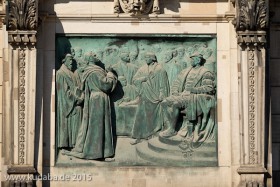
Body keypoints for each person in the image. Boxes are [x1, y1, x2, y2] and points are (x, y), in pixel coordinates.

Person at [66, 52, 117, 160]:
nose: (96, 56)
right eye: (94, 55)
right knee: (98, 126)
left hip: (94, 99)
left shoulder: (88, 71)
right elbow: (106, 85)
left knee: (96, 125)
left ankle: (102, 152)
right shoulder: (95, 72)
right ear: (89, 58)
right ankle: (96, 153)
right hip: (99, 99)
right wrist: (111, 74)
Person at [160, 53, 216, 142]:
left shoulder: (205, 72)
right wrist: (175, 92)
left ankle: (172, 130)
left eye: (192, 59)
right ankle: (171, 125)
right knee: (164, 102)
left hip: (192, 97)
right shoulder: (186, 71)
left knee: (176, 104)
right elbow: (176, 83)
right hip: (182, 94)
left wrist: (193, 89)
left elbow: (209, 88)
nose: (191, 61)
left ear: (198, 60)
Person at [130, 52, 170, 145]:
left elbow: (163, 84)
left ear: (153, 58)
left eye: (148, 57)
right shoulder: (142, 69)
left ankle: (152, 135)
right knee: (140, 116)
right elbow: (134, 80)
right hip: (144, 96)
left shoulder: (160, 69)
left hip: (154, 97)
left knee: (152, 116)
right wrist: (142, 79)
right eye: (145, 57)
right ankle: (138, 136)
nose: (146, 59)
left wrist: (162, 94)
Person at [56, 54, 84, 149]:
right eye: (69, 59)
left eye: (72, 59)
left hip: (74, 101)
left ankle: (75, 143)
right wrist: (76, 99)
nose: (71, 62)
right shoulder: (60, 73)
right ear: (64, 61)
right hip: (67, 104)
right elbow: (63, 92)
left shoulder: (71, 73)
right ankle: (66, 145)